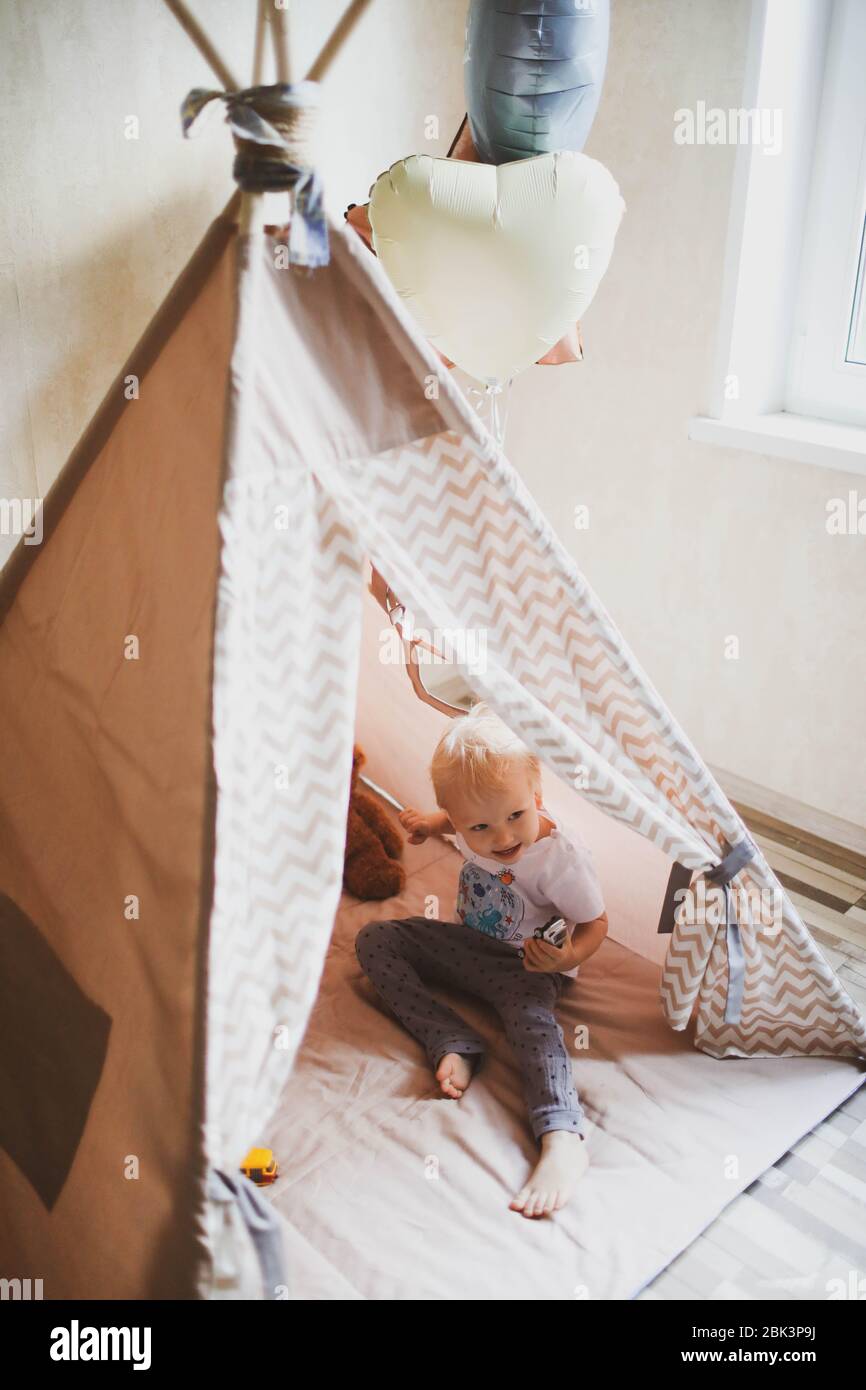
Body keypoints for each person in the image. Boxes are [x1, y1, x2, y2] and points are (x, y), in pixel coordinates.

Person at [355, 702, 608, 1218]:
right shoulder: (470, 821)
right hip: (469, 947)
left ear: (536, 794)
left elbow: (596, 923)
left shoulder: (559, 859)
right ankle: (451, 1038)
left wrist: (563, 960)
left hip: (528, 967)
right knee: (376, 939)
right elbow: (457, 815)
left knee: (533, 1028)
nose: (502, 838)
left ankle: (562, 1135)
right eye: (480, 828)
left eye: (517, 815)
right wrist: (431, 824)